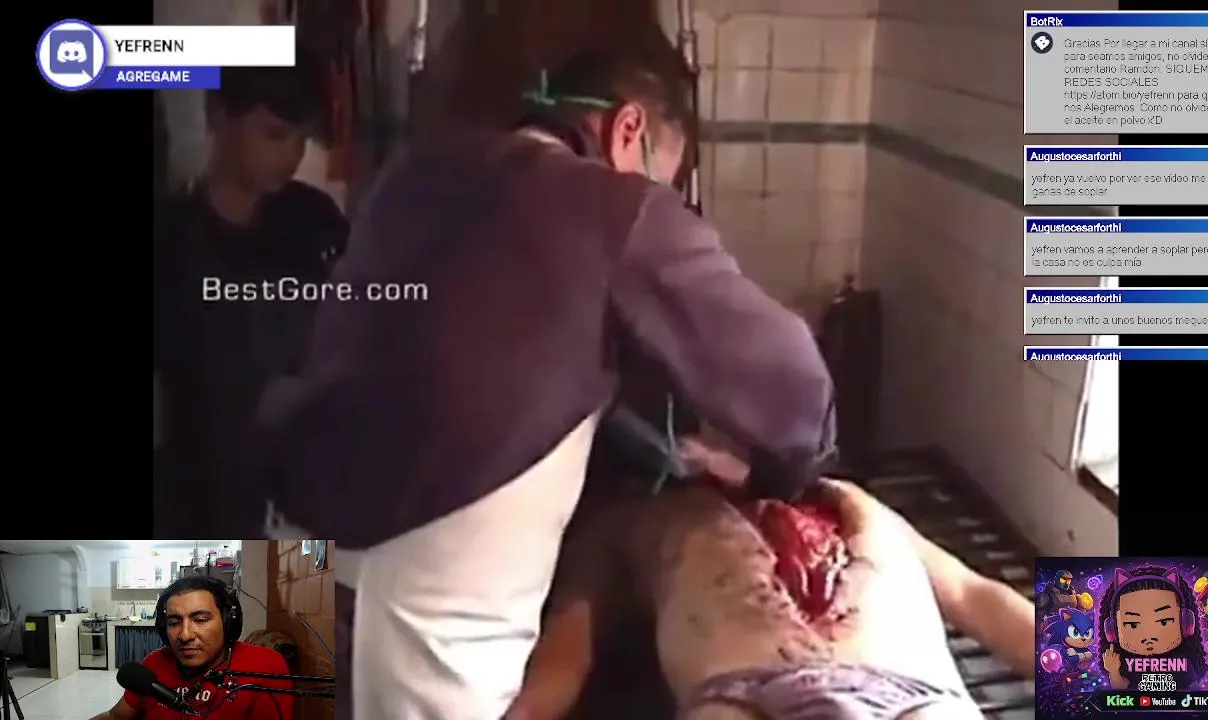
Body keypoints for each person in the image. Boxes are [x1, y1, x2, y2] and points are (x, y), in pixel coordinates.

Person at [260, 36, 836, 720]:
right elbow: (793, 387)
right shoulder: (618, 208)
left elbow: (466, 348)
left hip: (289, 541)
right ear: (628, 128)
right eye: (664, 175)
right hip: (429, 603)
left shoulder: (418, 171)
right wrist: (780, 475)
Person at [506, 461, 1036, 720]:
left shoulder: (854, 502)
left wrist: (1094, 666)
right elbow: (564, 657)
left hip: (910, 694)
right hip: (744, 695)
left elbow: (975, 595)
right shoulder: (636, 518)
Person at [153, 57, 349, 538]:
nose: (293, 155)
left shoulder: (315, 221)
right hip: (196, 512)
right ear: (219, 117)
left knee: (296, 594)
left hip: (299, 505)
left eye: (303, 138)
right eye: (276, 134)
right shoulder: (171, 241)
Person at [90, 576, 294, 720]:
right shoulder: (155, 662)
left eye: (200, 620)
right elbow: (115, 716)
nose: (185, 635)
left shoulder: (266, 666)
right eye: (174, 622)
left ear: (227, 623)